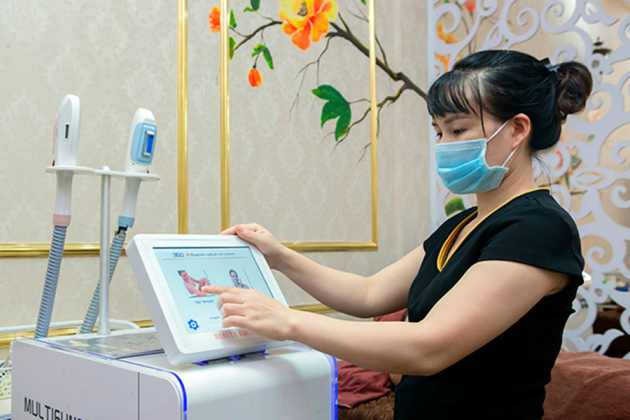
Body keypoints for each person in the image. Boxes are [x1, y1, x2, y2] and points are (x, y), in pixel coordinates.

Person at [202, 50, 592, 420]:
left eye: (458, 129)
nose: (443, 146)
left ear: (518, 130)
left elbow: (429, 348)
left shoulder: (540, 229)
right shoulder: (463, 225)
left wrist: (288, 322)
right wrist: (281, 257)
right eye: (438, 132)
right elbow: (367, 293)